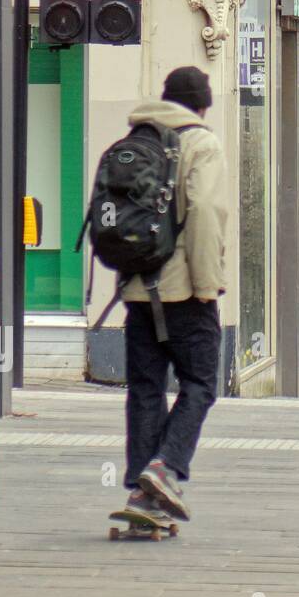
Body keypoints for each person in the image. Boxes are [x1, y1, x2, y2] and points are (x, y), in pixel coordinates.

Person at [119, 66, 229, 524]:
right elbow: (202, 209)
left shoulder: (134, 140)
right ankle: (166, 469)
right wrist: (206, 283)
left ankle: (142, 495)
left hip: (138, 288)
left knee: (145, 388)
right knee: (201, 382)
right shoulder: (201, 143)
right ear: (202, 105)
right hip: (185, 290)